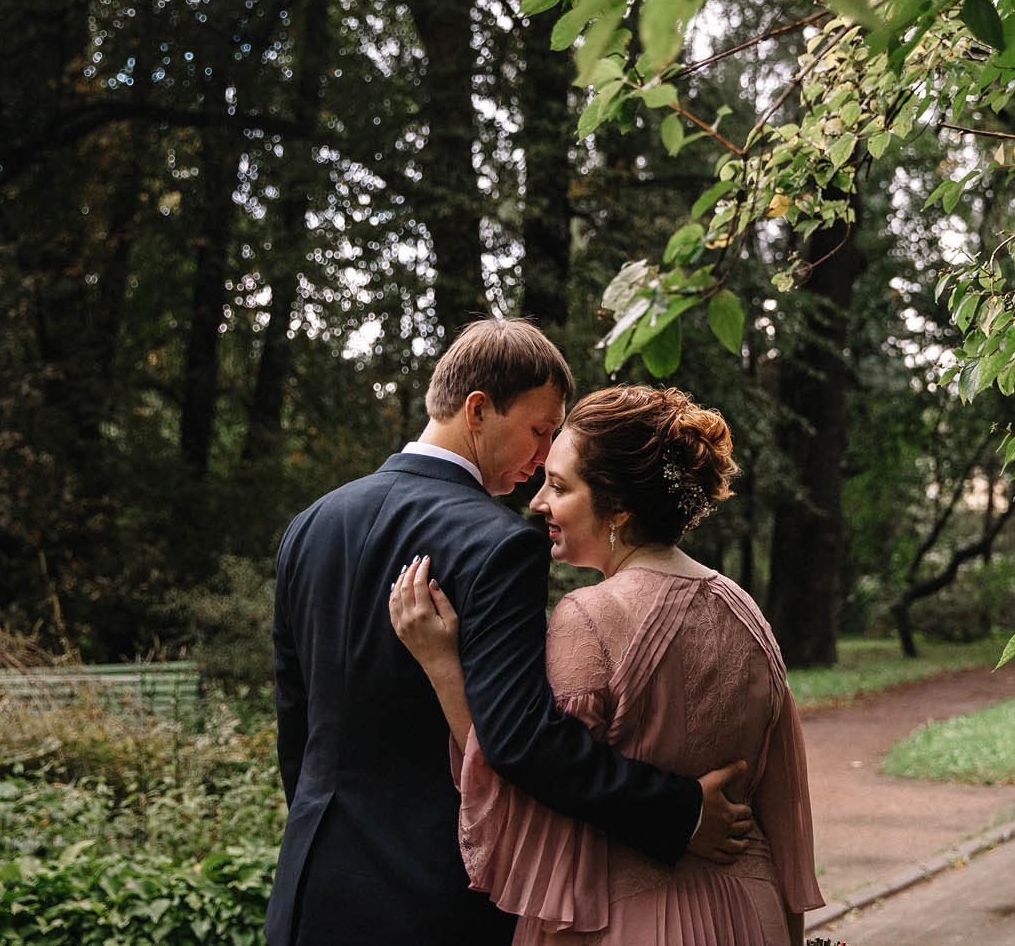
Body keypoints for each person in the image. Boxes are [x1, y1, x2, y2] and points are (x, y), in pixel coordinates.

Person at [269, 320, 754, 946]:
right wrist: (679, 810)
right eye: (539, 429)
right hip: (435, 898)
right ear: (478, 410)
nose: (542, 455)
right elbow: (522, 738)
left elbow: (297, 729)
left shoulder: (309, 526)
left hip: (307, 890)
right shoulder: (497, 543)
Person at [390, 384, 823, 945]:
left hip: (628, 921)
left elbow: (526, 777)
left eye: (559, 486)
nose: (538, 502)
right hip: (750, 914)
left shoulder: (589, 617)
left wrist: (440, 662)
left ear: (617, 507)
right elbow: (783, 801)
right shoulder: (745, 610)